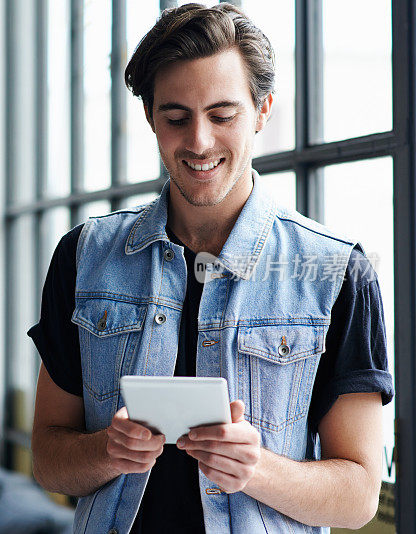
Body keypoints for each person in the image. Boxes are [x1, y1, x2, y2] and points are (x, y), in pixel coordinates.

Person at [28, 3, 394, 533]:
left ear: (263, 110)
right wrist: (107, 451)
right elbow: (47, 458)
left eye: (222, 115)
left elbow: (360, 496)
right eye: (176, 118)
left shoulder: (336, 271)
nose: (199, 142)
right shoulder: (84, 257)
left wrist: (256, 469)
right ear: (151, 117)